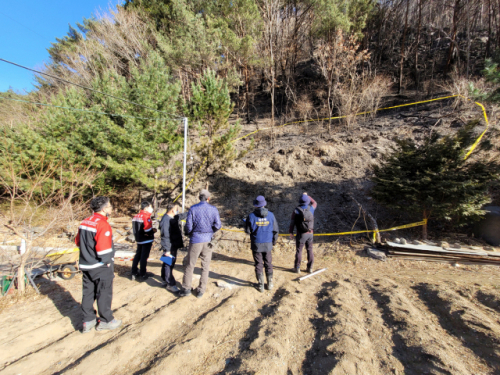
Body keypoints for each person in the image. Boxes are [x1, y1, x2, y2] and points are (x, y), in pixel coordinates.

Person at [75, 196, 122, 333]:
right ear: (104, 208)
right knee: (104, 293)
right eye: (110, 206)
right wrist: (107, 262)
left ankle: (88, 320)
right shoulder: (102, 224)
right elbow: (104, 249)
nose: (111, 208)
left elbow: (78, 242)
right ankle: (106, 320)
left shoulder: (85, 222)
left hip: (86, 264)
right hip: (99, 266)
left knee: (88, 293)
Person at [179, 189, 221, 298]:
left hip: (195, 240)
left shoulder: (193, 208)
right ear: (208, 198)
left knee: (190, 265)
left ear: (199, 198)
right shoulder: (213, 209)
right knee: (205, 266)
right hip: (208, 240)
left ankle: (186, 288)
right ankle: (201, 290)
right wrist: (210, 231)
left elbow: (188, 226)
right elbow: (218, 225)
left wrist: (190, 233)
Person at [245, 195, 279, 293]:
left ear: (256, 205)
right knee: (268, 263)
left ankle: (261, 285)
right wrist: (274, 241)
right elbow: (275, 230)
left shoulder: (251, 216)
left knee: (258, 264)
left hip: (256, 244)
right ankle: (270, 283)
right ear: (264, 204)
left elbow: (247, 231)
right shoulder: (271, 215)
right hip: (268, 244)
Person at [159, 203, 188, 293]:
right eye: (176, 209)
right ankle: (170, 284)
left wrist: (191, 211)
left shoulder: (173, 217)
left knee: (166, 262)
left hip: (173, 244)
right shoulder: (165, 220)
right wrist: (167, 249)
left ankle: (164, 279)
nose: (177, 210)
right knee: (169, 264)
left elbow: (180, 216)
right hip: (169, 245)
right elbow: (164, 235)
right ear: (172, 210)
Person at [289, 192, 318, 274]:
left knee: (299, 250)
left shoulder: (296, 210)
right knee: (310, 250)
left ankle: (297, 268)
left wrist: (291, 232)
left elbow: (292, 222)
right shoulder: (311, 208)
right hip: (310, 233)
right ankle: (310, 268)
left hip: (301, 234)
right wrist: (307, 196)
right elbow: (315, 202)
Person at [131, 201, 157, 281]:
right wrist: (153, 231)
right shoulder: (146, 217)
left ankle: (134, 272)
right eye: (150, 207)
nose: (152, 209)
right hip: (146, 240)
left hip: (139, 239)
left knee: (137, 255)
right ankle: (143, 273)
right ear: (146, 208)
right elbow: (147, 230)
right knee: (144, 257)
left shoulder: (136, 216)